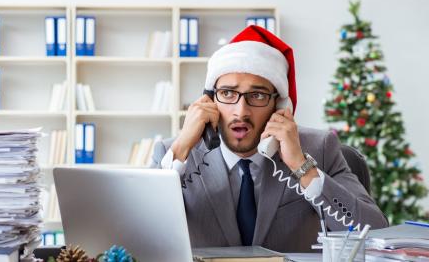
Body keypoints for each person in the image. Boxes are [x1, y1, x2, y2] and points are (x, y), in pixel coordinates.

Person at [150, 25, 388, 252]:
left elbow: (375, 234)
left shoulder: (319, 148)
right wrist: (181, 148)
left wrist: (301, 167)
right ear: (210, 100)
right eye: (228, 93)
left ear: (279, 106)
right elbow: (138, 233)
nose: (241, 111)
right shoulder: (173, 153)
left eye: (257, 95)